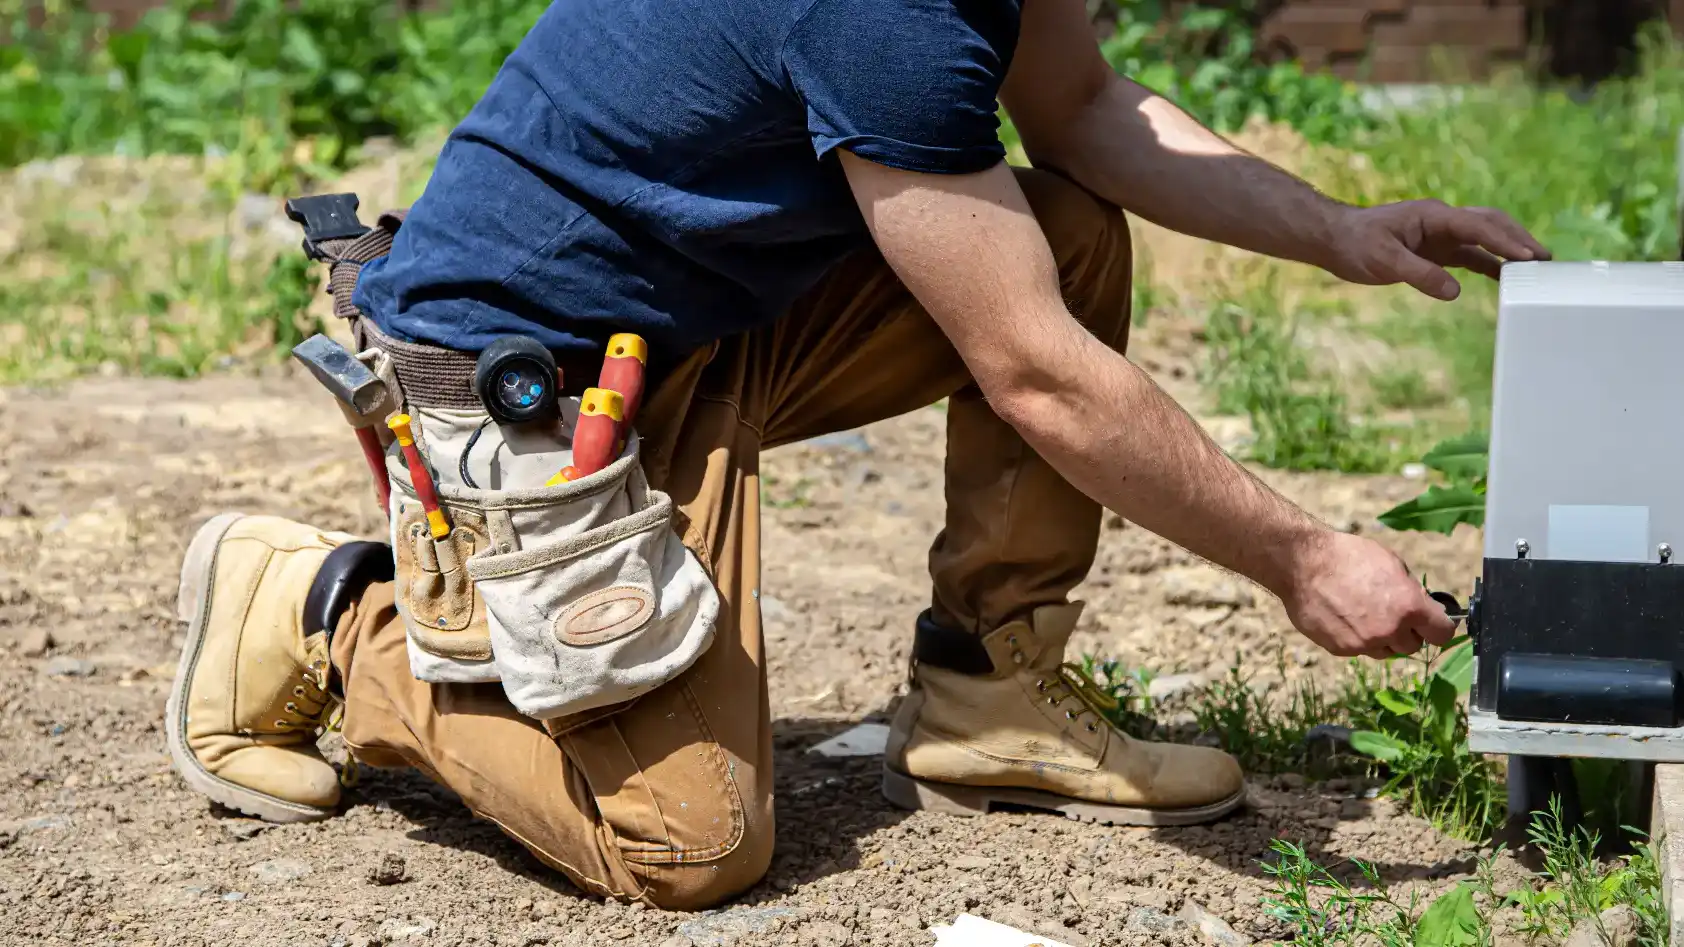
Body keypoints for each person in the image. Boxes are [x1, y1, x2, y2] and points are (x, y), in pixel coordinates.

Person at [162, 0, 1549, 911]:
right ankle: (326, 612)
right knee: (689, 842)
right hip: (521, 375)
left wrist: (1336, 229)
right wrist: (1300, 558)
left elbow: (1081, 108)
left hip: (705, 318)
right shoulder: (887, 13)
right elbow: (1038, 377)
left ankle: (985, 690)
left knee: (1062, 234)